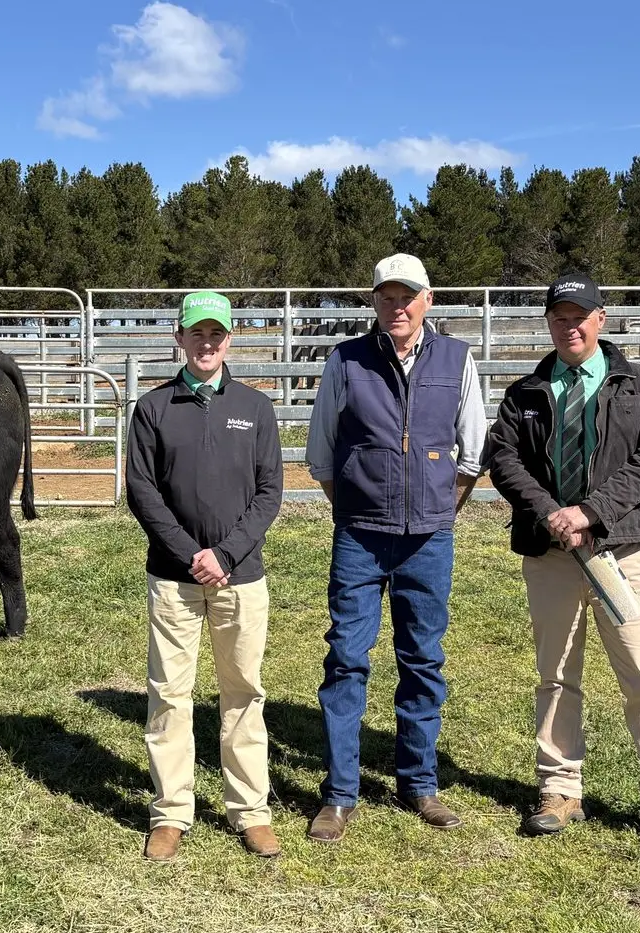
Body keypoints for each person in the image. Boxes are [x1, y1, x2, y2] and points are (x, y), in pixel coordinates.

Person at [484, 272, 640, 858]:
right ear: (548, 323)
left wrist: (591, 512)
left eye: (580, 317)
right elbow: (504, 459)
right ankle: (559, 788)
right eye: (559, 317)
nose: (569, 327)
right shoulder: (526, 391)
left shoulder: (639, 384)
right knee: (555, 675)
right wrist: (552, 514)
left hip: (619, 551)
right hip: (552, 553)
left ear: (601, 319)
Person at [304, 253, 486, 841]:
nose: (397, 307)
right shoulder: (346, 360)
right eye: (386, 297)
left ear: (428, 300)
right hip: (359, 536)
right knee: (346, 657)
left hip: (428, 539)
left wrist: (437, 511)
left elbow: (472, 453)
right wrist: (356, 507)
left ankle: (419, 783)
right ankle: (340, 793)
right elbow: (321, 452)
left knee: (423, 659)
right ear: (374, 301)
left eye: (408, 297)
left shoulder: (457, 359)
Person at [125, 290, 285, 862]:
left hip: (241, 578)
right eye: (197, 332)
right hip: (175, 579)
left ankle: (250, 810)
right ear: (180, 337)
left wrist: (227, 554)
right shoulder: (153, 408)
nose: (207, 343)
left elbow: (270, 492)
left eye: (216, 333)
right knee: (170, 694)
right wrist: (192, 553)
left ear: (229, 340)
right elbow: (142, 491)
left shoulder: (255, 407)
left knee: (243, 692)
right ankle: (171, 812)